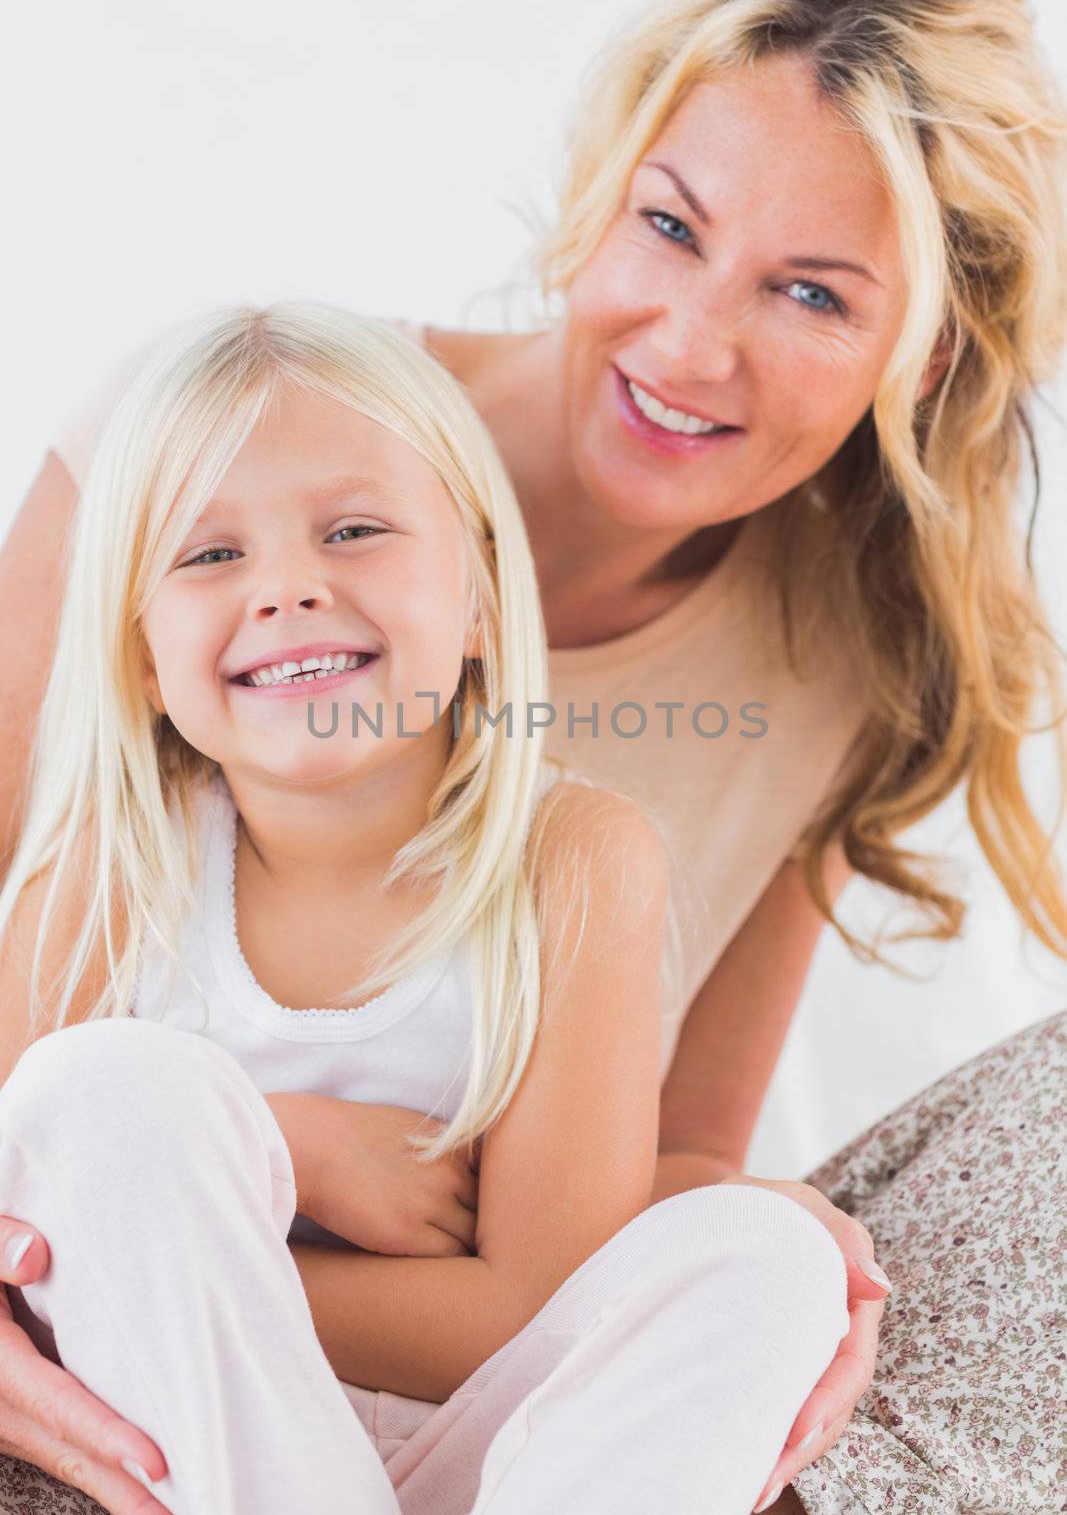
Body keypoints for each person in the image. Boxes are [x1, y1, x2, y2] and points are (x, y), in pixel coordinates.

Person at [0, 0, 1063, 1510]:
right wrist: (243, 1169)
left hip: (509, 1361)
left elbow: (662, 1164)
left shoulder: (841, 666)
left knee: (802, 1245)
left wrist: (775, 1241)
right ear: (593, 197)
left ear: (922, 356)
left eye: (810, 294)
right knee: (110, 1112)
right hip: (120, 1329)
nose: (691, 343)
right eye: (668, 224)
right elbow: (53, 1081)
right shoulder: (201, 446)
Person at [0, 301, 861, 1515]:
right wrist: (281, 1146)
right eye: (208, 555)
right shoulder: (101, 870)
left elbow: (528, 1311)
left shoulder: (573, 861)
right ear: (142, 656)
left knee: (773, 1260)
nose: (289, 587)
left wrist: (215, 1250)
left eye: (352, 531)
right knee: (92, 1089)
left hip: (503, 1455)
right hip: (201, 1445)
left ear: (480, 606)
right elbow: (32, 1212)